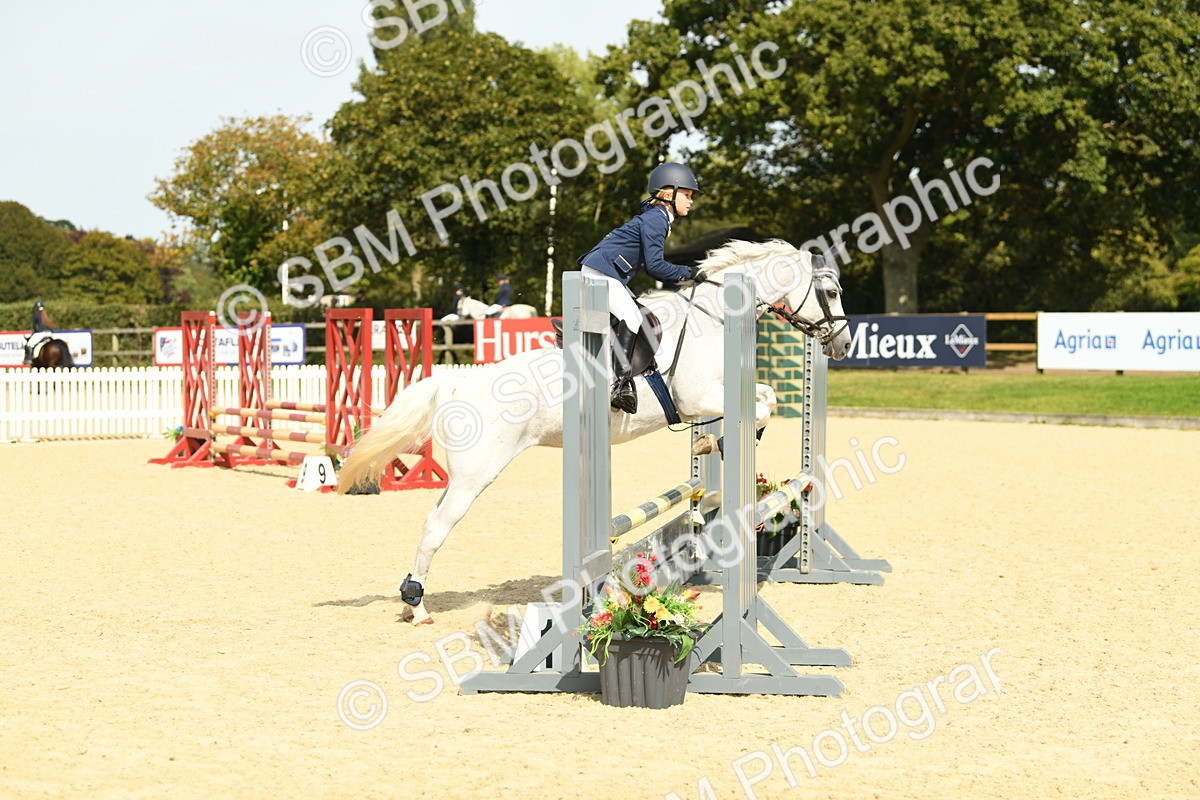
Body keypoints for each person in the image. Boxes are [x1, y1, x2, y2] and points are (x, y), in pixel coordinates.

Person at [576, 162, 704, 414]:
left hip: (604, 273)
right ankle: (621, 386)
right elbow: (655, 267)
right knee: (633, 319)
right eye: (687, 195)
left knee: (639, 316)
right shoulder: (656, 219)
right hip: (601, 274)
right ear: (669, 195)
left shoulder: (657, 218)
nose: (690, 201)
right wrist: (688, 273)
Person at [22, 300, 55, 365]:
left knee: (29, 344)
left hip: (40, 333)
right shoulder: (46, 314)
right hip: (49, 333)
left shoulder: (35, 314)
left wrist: (35, 331)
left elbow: (34, 326)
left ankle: (28, 359)